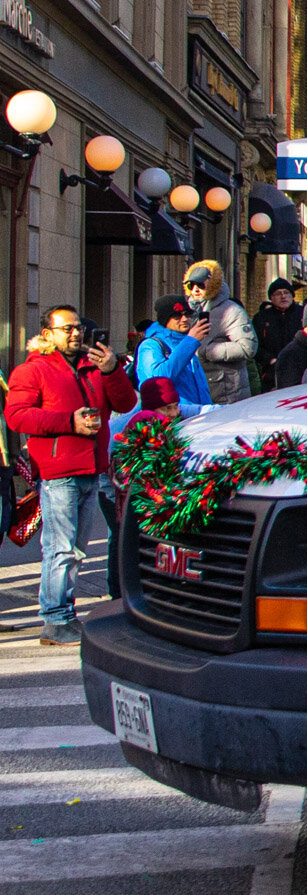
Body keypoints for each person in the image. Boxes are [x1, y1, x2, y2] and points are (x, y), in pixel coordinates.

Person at [3, 305, 137, 645]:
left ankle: (66, 614)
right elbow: (17, 417)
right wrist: (69, 423)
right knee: (60, 548)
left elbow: (124, 403)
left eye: (78, 327)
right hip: (59, 470)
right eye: (66, 329)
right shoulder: (32, 371)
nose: (75, 333)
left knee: (76, 548)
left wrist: (111, 370)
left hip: (92, 467)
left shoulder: (94, 367)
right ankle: (55, 618)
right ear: (48, 333)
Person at [110, 295, 216, 437]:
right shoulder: (151, 345)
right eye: (177, 316)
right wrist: (190, 342)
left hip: (199, 422)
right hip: (171, 426)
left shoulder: (187, 342)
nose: (184, 319)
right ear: (165, 319)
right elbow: (157, 381)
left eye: (187, 314)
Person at [183, 260, 257, 404]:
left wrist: (208, 351)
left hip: (228, 391)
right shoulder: (187, 311)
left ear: (212, 284)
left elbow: (248, 347)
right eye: (191, 285)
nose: (196, 289)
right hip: (199, 388)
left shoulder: (231, 311)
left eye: (201, 284)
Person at [250, 278, 302, 390]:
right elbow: (254, 345)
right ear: (271, 297)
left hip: (300, 371)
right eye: (278, 294)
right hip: (272, 375)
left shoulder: (302, 314)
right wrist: (269, 359)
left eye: (286, 293)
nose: (283, 296)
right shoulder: (261, 318)